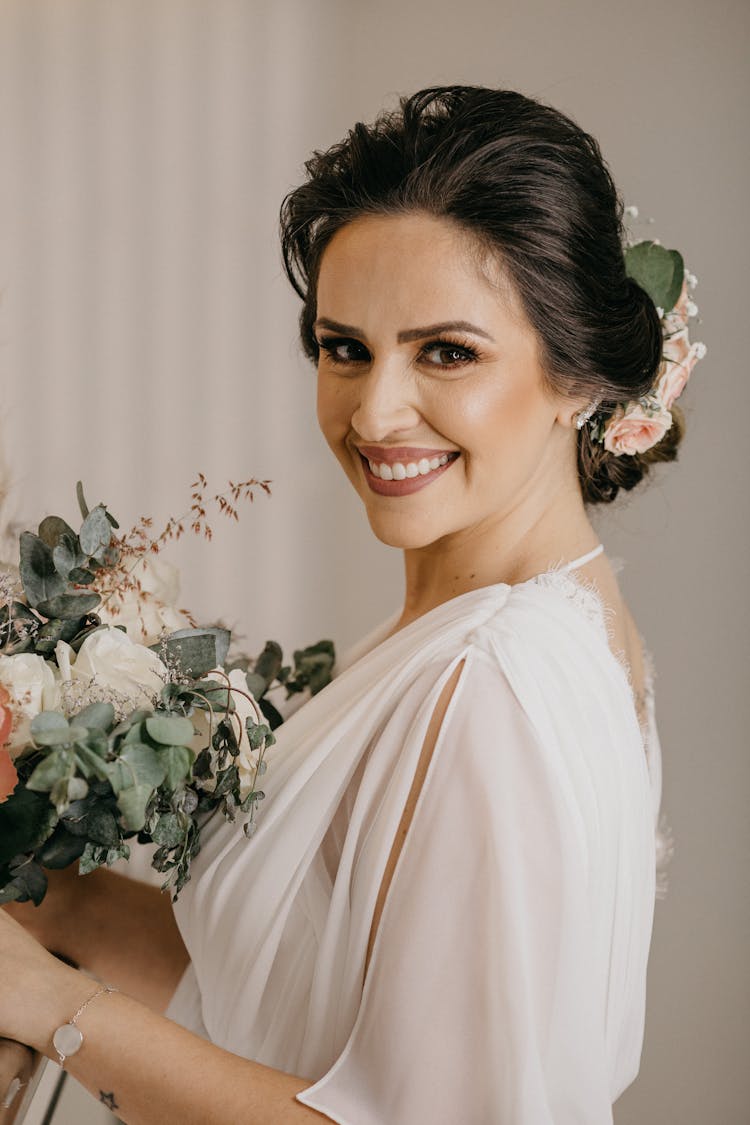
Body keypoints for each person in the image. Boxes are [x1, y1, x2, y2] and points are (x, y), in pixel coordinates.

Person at [0, 84, 682, 1124]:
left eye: (446, 352)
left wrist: (51, 1003)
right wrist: (58, 898)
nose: (374, 411)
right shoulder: (521, 621)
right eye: (345, 346)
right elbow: (288, 996)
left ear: (577, 378)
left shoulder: (492, 680)